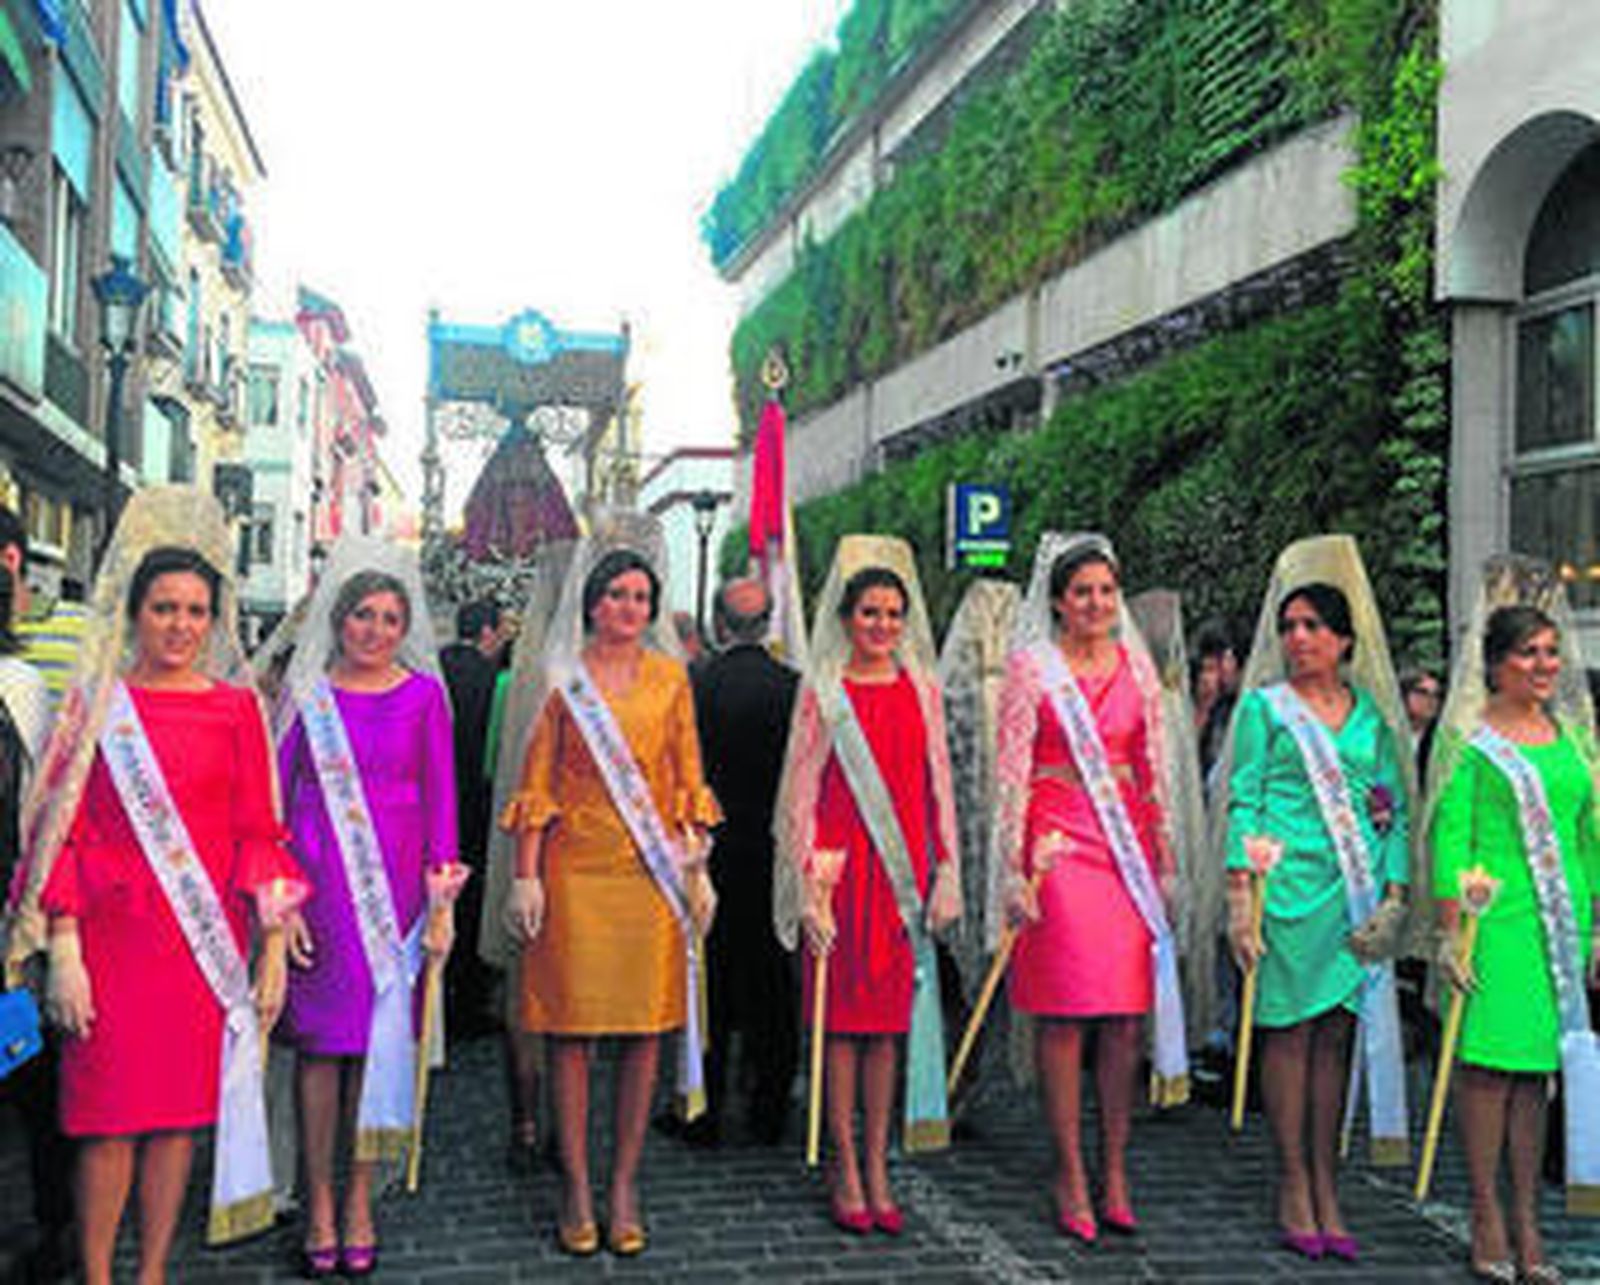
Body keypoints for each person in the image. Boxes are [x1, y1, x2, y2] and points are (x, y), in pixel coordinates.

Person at [4, 487, 304, 1285]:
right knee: (105, 1124)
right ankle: (100, 1274)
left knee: (175, 1122)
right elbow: (57, 828)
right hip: (107, 944)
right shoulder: (96, 705)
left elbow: (258, 836)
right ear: (134, 612)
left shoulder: (240, 710)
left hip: (195, 949)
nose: (180, 624)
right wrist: (63, 948)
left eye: (196, 610)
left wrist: (271, 948)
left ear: (215, 618)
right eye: (164, 607)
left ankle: (154, 1273)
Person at [500, 529, 718, 1257]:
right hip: (575, 870)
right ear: (593, 605)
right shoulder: (562, 675)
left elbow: (687, 775)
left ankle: (623, 1181)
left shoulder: (671, 678)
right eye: (618, 595)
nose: (629, 606)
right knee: (570, 1030)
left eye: (641, 597)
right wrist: (526, 871)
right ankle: (575, 1184)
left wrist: (698, 869)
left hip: (648, 872)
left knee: (643, 1032)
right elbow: (538, 781)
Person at [989, 535, 1191, 1242]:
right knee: (1067, 1011)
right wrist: (1013, 871)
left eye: (1107, 591)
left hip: (1124, 846)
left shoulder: (1138, 668)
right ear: (1057, 600)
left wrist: (1165, 861)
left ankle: (1115, 1166)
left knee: (1125, 1017)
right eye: (1083, 592)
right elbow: (1011, 772)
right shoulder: (1030, 671)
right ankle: (1070, 1168)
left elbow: (1155, 769)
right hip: (1058, 844)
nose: (1097, 603)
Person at [1219, 535, 1414, 1263]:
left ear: (1343, 640)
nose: (1298, 638)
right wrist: (1242, 897)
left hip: (1352, 892)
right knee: (1288, 1033)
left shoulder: (1370, 717)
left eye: (1313, 627)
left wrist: (1394, 892)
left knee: (1335, 1036)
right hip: (1287, 890)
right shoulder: (1266, 711)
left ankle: (1329, 1177)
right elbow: (1245, 800)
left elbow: (1388, 804)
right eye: (1289, 627)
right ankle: (1294, 1180)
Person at [275, 538, 461, 1278]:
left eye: (390, 618)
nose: (375, 630)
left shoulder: (423, 696)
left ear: (404, 626)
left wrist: (442, 897)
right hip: (321, 887)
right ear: (339, 619)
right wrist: (281, 896)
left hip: (398, 891)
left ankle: (359, 1196)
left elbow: (443, 795)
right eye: (363, 615)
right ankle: (317, 1195)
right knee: (322, 1048)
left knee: (380, 1041)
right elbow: (274, 802)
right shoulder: (308, 692)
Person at [774, 536, 961, 1234]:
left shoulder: (924, 691)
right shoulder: (823, 693)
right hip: (840, 879)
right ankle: (844, 1160)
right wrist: (807, 887)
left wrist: (948, 871)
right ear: (847, 618)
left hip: (901, 881)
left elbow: (938, 786)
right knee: (840, 1027)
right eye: (869, 613)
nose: (882, 625)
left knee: (887, 1029)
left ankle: (879, 1158)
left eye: (892, 614)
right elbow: (799, 795)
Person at [1426, 556, 1600, 1284]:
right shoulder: (1471, 739)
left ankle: (1530, 1216)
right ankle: (1487, 1211)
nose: (1545, 663)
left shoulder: (1570, 738)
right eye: (1529, 653)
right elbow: (1450, 838)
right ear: (1496, 665)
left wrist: (1594, 926)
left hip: (1555, 932)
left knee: (1536, 1079)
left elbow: (1588, 836)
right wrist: (1446, 930)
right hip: (1491, 925)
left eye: (1552, 651)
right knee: (1488, 1072)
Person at [692, 577, 800, 1145]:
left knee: (711, 979)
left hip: (709, 852)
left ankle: (704, 1107)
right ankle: (770, 1106)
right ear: (768, 623)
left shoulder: (697, 685)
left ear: (717, 623)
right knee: (772, 983)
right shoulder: (793, 687)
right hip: (775, 849)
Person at [479, 544, 573, 1170]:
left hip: (523, 851)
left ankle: (526, 1121)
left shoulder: (518, 678)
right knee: (575, 997)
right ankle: (567, 1126)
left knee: (522, 995)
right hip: (589, 854)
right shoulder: (608, 672)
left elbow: (493, 768)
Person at [0, 503, 62, 1278]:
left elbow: (41, 811)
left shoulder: (19, 685)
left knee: (26, 1081)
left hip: (8, 925)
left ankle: (54, 1226)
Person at [936, 577, 1020, 1101]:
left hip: (1004, 838)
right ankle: (954, 1067)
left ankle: (967, 1067)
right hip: (965, 840)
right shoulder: (956, 688)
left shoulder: (1021, 680)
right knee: (960, 961)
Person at [438, 598, 503, 1038]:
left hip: (438, 800)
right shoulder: (492, 680)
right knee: (472, 900)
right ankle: (469, 1000)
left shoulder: (432, 667)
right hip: (477, 805)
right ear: (487, 632)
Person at [1400, 667, 1444, 778]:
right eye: (1422, 692)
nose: (1430, 700)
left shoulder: (1439, 737)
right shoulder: (1389, 734)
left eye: (1436, 694)